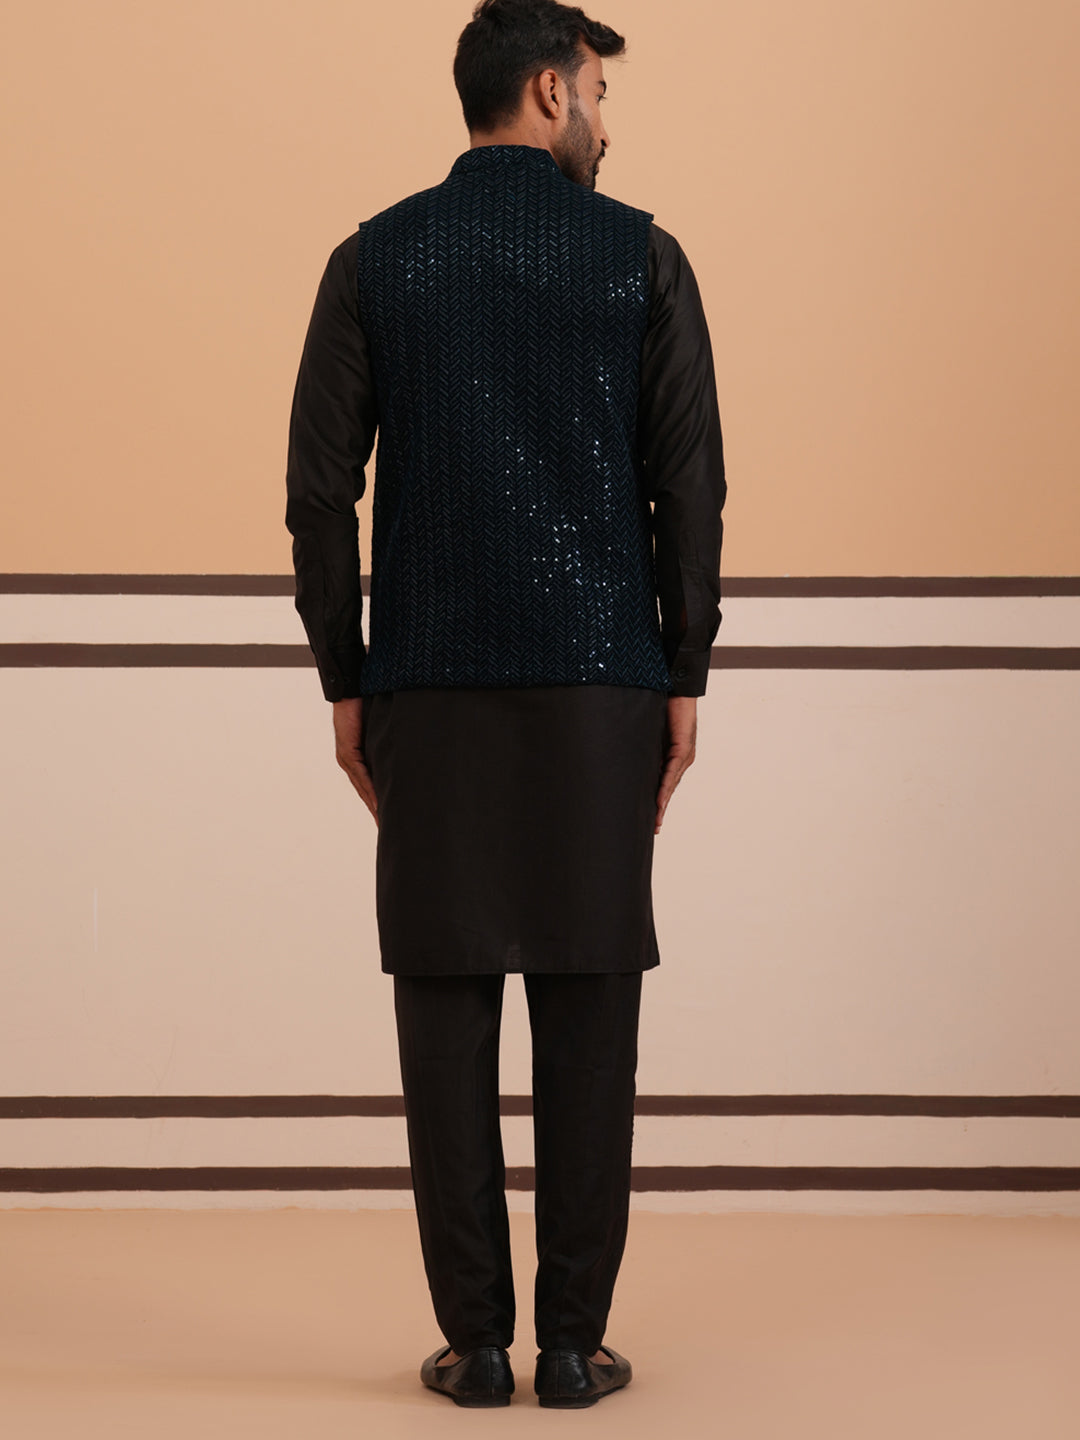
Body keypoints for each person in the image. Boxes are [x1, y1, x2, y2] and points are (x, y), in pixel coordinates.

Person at [285, 0, 725, 1410]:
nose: (605, 117)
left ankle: (475, 1345)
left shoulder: (373, 259)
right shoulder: (642, 256)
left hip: (426, 681)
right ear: (548, 91)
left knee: (445, 1013)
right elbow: (690, 488)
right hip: (604, 682)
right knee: (593, 1011)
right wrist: (684, 669)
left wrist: (345, 676)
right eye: (597, 88)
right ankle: (575, 1348)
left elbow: (318, 496)